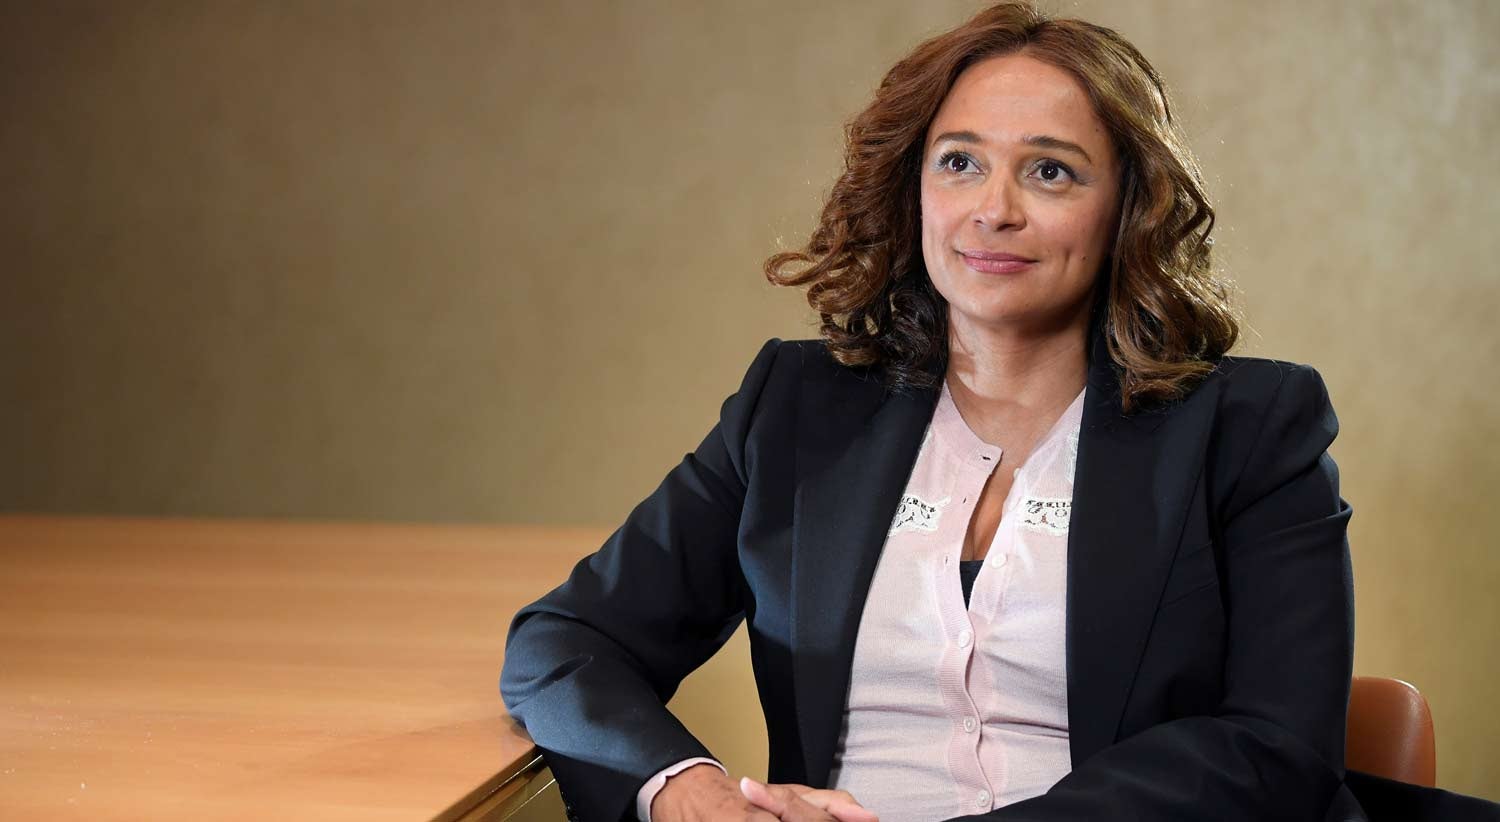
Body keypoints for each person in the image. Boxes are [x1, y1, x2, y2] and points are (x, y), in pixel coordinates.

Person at [502, 3, 1363, 820]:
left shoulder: (1250, 428)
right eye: (959, 162)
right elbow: (567, 640)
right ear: (914, 189)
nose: (995, 210)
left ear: (1127, 209)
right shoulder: (796, 407)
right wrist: (695, 795)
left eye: (1051, 171)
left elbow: (1279, 749)